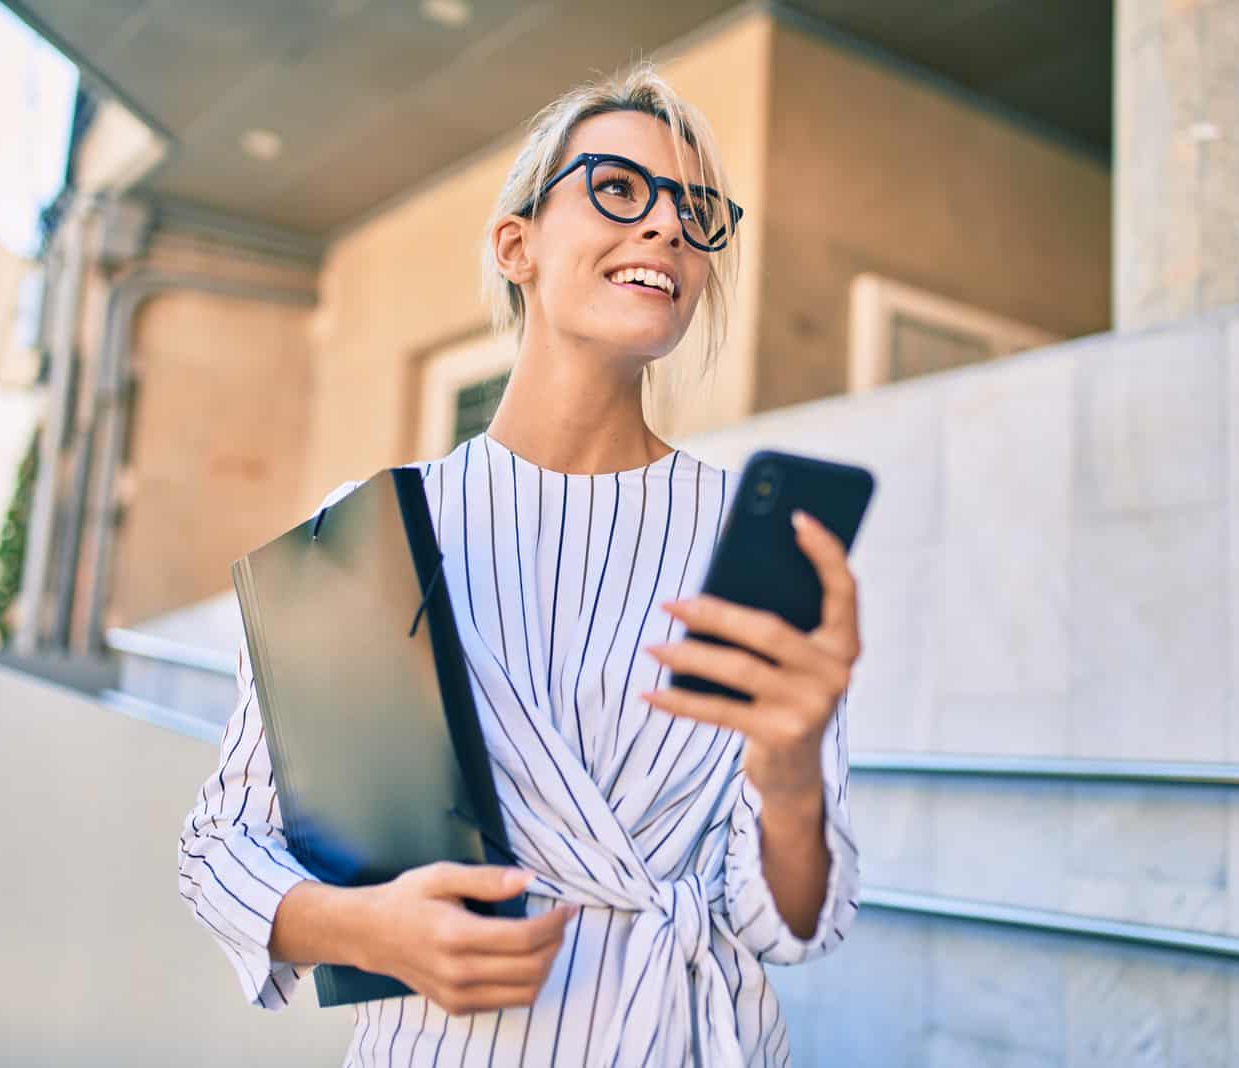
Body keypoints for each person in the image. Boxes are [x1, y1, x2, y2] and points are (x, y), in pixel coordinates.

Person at [177, 61, 862, 1067]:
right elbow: (217, 848)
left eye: (697, 210)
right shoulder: (371, 531)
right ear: (517, 244)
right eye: (620, 189)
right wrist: (369, 931)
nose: (668, 227)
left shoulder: (751, 539)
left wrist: (792, 773)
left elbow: (788, 929)